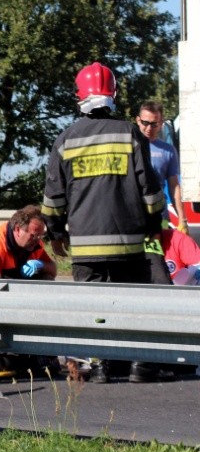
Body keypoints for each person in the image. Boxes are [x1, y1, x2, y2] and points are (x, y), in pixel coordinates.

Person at [42, 62, 165, 383]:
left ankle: (99, 365)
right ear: (114, 94)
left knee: (94, 307)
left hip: (86, 246)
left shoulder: (66, 139)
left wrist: (55, 233)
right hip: (129, 242)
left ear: (79, 96)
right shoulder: (130, 134)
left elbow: (53, 197)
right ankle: (139, 364)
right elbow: (150, 189)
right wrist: (155, 224)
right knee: (134, 301)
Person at [137, 101, 188, 234]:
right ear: (138, 120)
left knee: (162, 247)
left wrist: (182, 219)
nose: (149, 128)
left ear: (161, 123)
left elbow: (174, 186)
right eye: (145, 123)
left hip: (160, 217)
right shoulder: (129, 147)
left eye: (154, 124)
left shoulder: (168, 150)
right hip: (134, 216)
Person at [0, 205, 57, 280]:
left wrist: (42, 265)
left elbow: (53, 270)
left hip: (17, 278)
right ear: (18, 229)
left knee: (47, 278)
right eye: (33, 236)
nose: (37, 240)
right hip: (2, 278)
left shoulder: (36, 244)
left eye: (40, 236)